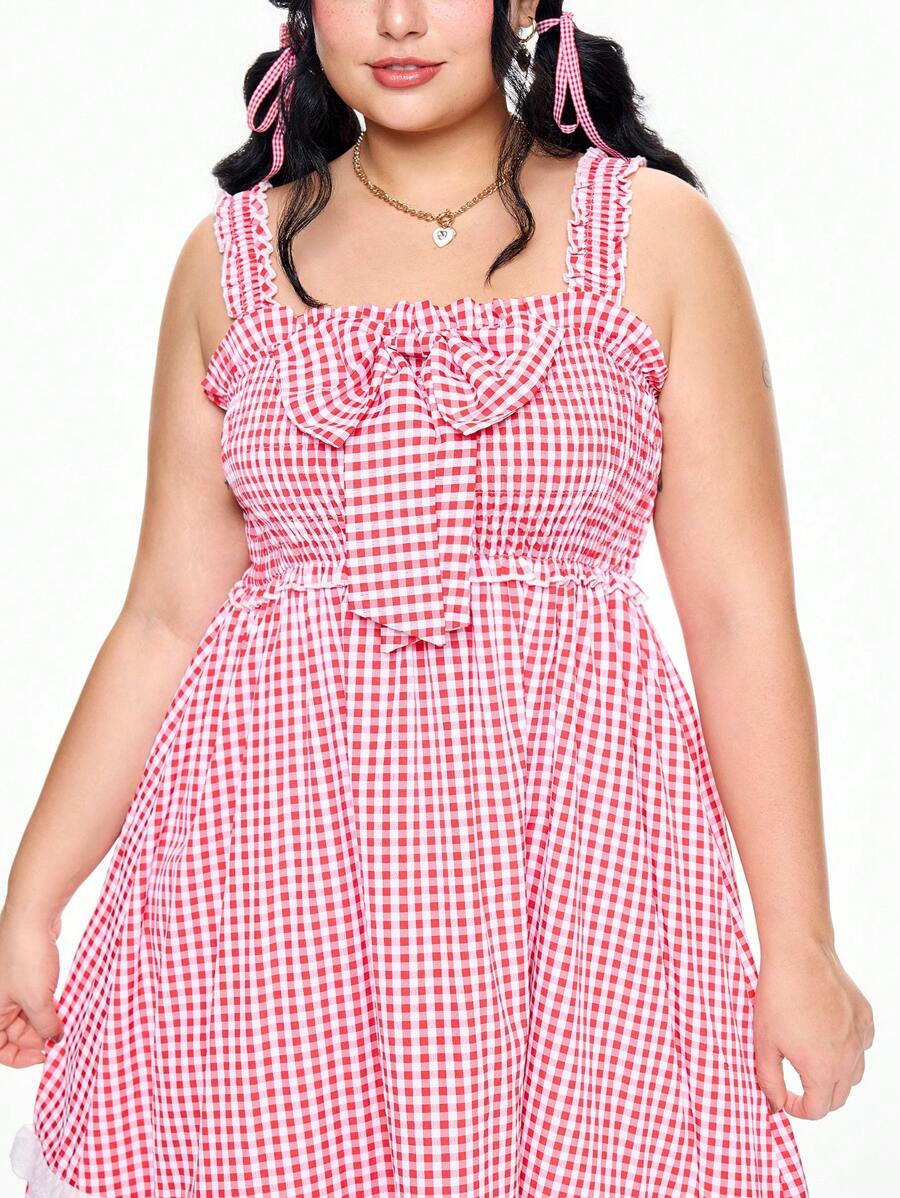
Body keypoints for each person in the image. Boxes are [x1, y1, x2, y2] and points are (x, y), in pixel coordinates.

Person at [1, 3, 874, 1196]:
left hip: (578, 868)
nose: (399, 20)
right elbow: (163, 618)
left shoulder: (655, 236)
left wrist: (801, 944)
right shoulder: (229, 261)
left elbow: (738, 616)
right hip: (274, 878)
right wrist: (33, 898)